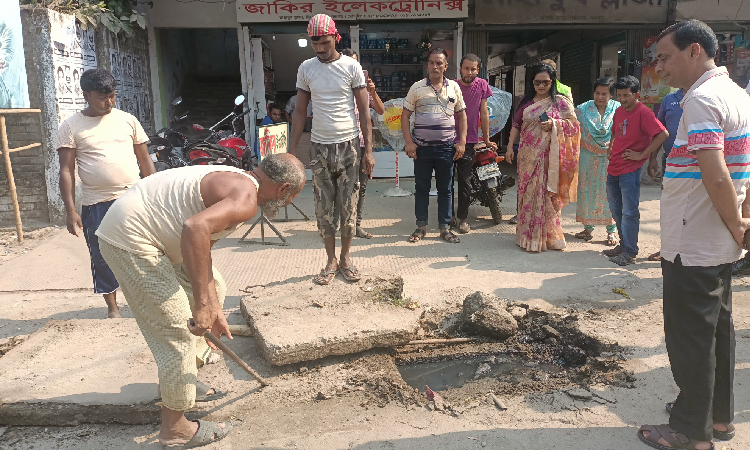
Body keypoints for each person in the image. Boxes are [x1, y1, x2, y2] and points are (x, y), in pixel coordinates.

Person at [96, 154, 306, 448]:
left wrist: (211, 304)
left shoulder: (239, 177)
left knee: (214, 287)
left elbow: (202, 242)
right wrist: (200, 307)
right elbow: (195, 228)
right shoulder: (245, 200)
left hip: (144, 230)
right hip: (132, 240)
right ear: (283, 189)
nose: (288, 202)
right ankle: (175, 429)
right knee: (178, 329)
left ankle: (183, 378)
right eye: (293, 196)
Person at [638, 19, 750, 450]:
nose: (659, 68)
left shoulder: (701, 100)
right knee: (717, 328)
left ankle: (689, 430)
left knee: (689, 335)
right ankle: (717, 418)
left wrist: (737, 222)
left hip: (694, 238)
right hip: (718, 238)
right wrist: (741, 220)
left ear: (694, 52)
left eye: (664, 57)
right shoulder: (737, 95)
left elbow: (716, 173)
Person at [56, 68, 156, 319]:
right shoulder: (70, 126)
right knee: (101, 255)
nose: (109, 102)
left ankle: (144, 303)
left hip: (133, 198)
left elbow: (145, 160)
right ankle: (113, 308)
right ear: (86, 95)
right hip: (96, 203)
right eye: (103, 97)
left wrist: (155, 194)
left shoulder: (127, 120)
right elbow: (66, 171)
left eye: (112, 96)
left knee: (142, 251)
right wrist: (70, 210)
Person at [288, 14, 375, 285]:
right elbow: (300, 111)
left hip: (349, 146)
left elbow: (364, 110)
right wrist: (292, 153)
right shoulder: (306, 68)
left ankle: (347, 257)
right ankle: (330, 260)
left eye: (325, 43)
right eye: (315, 44)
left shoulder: (352, 67)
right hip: (319, 148)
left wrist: (368, 151)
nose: (320, 49)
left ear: (336, 38)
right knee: (323, 207)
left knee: (348, 205)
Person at [505, 63, 580, 252]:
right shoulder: (526, 101)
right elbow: (516, 125)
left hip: (550, 157)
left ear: (552, 82)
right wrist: (508, 148)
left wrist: (555, 124)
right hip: (527, 156)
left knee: (548, 194)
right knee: (528, 193)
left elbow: (574, 126)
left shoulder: (560, 102)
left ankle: (549, 237)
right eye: (537, 82)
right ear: (532, 82)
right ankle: (528, 236)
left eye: (545, 82)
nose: (541, 86)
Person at [402, 48, 467, 244]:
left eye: (439, 63)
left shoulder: (454, 88)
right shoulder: (417, 87)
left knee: (445, 189)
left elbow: (462, 115)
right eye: (431, 63)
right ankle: (421, 226)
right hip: (421, 148)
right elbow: (405, 116)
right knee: (421, 188)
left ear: (445, 66)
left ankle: (444, 228)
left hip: (446, 148)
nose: (434, 66)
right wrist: (409, 143)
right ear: (427, 65)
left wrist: (462, 142)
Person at [603, 75, 667, 266]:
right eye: (619, 95)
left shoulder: (644, 113)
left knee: (630, 212)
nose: (622, 99)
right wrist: (610, 147)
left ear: (637, 94)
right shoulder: (619, 111)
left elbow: (662, 134)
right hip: (613, 167)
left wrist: (643, 156)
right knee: (616, 209)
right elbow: (615, 131)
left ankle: (630, 252)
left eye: (626, 95)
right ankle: (623, 245)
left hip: (630, 170)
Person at [341, 48, 386, 239]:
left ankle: (356, 225)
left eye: (356, 63)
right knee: (342, 186)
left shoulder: (363, 89)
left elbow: (381, 110)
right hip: (341, 144)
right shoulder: (337, 89)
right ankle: (343, 223)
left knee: (361, 185)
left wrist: (373, 92)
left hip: (361, 144)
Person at [452, 53, 496, 234]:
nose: (469, 72)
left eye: (473, 69)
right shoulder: (452, 86)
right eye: (466, 68)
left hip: (469, 141)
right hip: (448, 139)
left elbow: (484, 113)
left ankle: (463, 219)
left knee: (465, 180)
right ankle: (448, 218)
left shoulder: (482, 85)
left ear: (478, 70)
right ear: (460, 69)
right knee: (446, 182)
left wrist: (485, 138)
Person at [574, 77, 620, 246]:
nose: (600, 97)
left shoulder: (619, 109)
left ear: (611, 95)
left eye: (604, 94)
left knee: (610, 192)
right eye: (597, 93)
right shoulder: (582, 109)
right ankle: (588, 229)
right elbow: (572, 127)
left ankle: (611, 231)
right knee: (587, 191)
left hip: (611, 156)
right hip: (587, 157)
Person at [648, 87, 684, 262]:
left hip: (698, 164)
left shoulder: (705, 95)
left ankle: (687, 250)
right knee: (670, 207)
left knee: (694, 209)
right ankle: (667, 249)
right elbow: (658, 131)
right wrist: (653, 157)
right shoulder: (669, 99)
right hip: (670, 162)